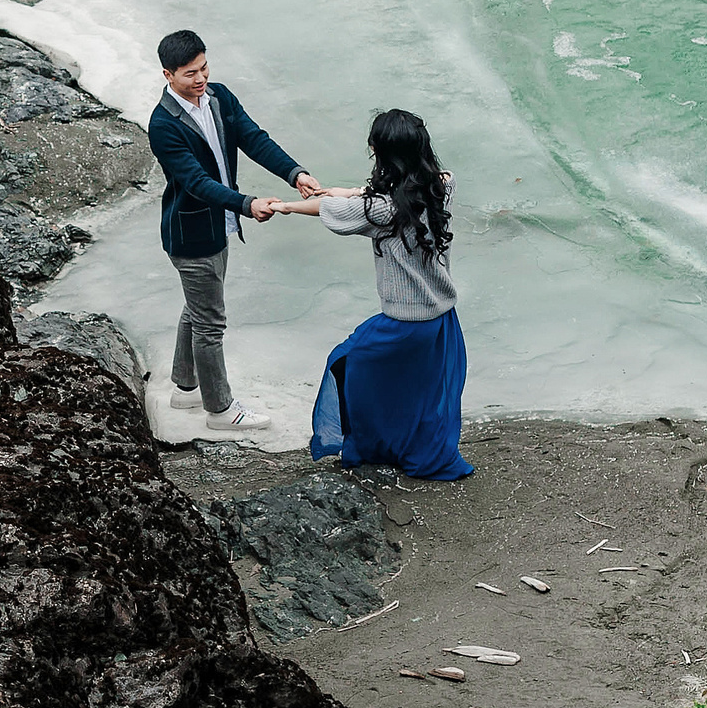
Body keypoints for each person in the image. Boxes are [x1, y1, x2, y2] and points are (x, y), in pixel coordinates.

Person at [267, 108, 473, 481]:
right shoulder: (443, 186)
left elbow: (331, 209)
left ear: (381, 153)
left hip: (404, 324)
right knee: (422, 393)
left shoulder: (379, 210)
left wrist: (285, 206)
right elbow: (381, 195)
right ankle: (408, 446)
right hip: (443, 322)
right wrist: (349, 190)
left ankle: (370, 443)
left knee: (348, 362)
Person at [147, 29, 323, 431]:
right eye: (190, 73)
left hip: (217, 225)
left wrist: (295, 173)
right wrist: (247, 204)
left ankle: (185, 388)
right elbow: (196, 183)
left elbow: (254, 140)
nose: (201, 78)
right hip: (191, 234)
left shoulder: (220, 97)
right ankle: (221, 411)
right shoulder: (163, 125)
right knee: (210, 323)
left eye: (204, 67)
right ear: (168, 75)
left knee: (198, 307)